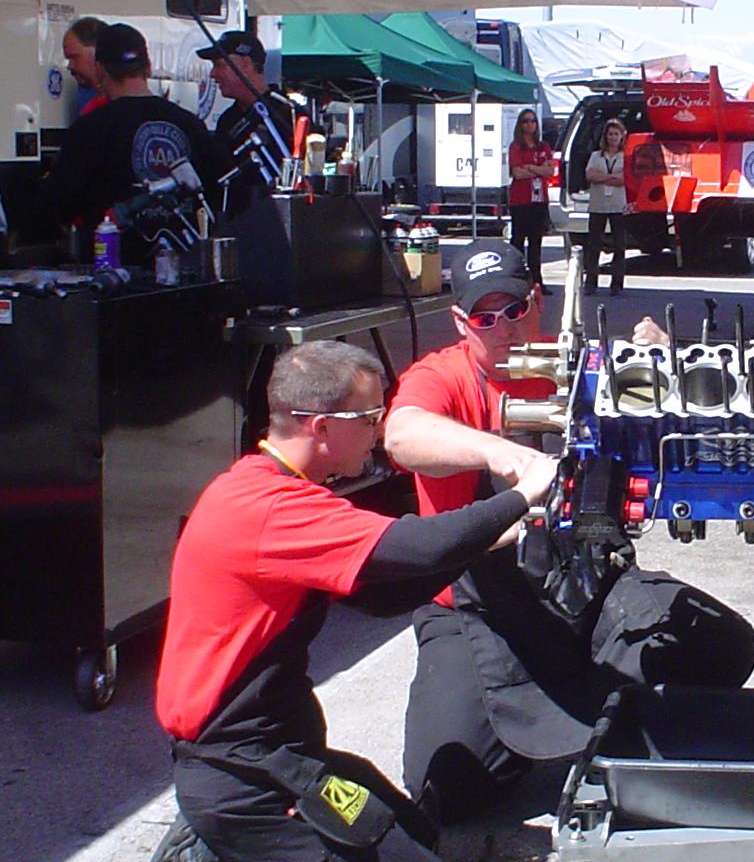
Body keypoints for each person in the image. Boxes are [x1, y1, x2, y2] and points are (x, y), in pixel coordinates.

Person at [383, 239, 754, 822]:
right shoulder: (444, 378)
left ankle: (594, 712)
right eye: (485, 318)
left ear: (539, 302)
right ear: (461, 323)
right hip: (477, 607)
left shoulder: (589, 367)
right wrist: (506, 456)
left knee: (722, 645)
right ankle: (553, 718)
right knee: (446, 788)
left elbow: (683, 433)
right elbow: (403, 434)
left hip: (586, 586)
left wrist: (665, 369)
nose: (505, 328)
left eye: (515, 309)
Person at [153, 340, 558, 862]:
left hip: (278, 754)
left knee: (409, 831)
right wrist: (524, 493)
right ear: (322, 428)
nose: (380, 432)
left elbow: (382, 596)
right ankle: (207, 849)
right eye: (369, 418)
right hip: (245, 781)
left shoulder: (268, 490)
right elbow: (423, 546)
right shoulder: (268, 510)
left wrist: (494, 537)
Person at [44, 23, 230, 263]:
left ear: (100, 69)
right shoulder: (191, 124)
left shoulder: (89, 129)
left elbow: (57, 205)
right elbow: (219, 191)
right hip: (184, 268)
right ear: (148, 66)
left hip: (114, 270)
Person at [198, 30, 294, 216]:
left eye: (220, 65)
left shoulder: (287, 112)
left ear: (246, 64)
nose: (213, 74)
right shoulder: (227, 120)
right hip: (237, 221)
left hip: (280, 218)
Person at [507, 107, 555, 295]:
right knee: (518, 240)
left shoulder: (543, 146)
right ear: (520, 124)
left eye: (533, 121)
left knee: (536, 242)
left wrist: (530, 167)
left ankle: (537, 281)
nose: (530, 124)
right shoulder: (515, 146)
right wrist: (538, 169)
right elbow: (517, 173)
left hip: (539, 200)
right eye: (526, 121)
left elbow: (549, 171)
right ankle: (517, 280)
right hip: (520, 200)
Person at [583, 118, 628, 296]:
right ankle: (591, 283)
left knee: (619, 246)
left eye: (616, 134)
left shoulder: (625, 156)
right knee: (594, 245)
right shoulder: (596, 156)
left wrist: (602, 177)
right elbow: (590, 175)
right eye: (610, 134)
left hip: (618, 205)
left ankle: (616, 284)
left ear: (622, 136)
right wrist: (611, 178)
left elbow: (625, 179)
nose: (613, 137)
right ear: (605, 136)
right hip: (598, 205)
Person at [62, 16, 108, 118]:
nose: (70, 66)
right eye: (68, 59)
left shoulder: (122, 106)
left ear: (97, 52)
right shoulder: (87, 102)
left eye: (75, 57)